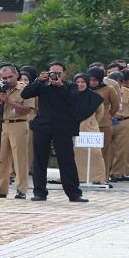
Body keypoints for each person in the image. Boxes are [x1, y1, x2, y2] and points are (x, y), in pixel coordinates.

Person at [21, 61, 98, 202]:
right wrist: (38, 80)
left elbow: (75, 100)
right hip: (43, 126)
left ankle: (74, 193)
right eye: (52, 72)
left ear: (64, 74)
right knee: (39, 160)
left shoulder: (71, 87)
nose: (55, 75)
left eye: (59, 73)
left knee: (67, 160)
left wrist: (61, 86)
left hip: (63, 127)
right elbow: (25, 94)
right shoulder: (42, 86)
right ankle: (39, 192)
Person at [0, 66, 35, 199]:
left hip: (19, 125)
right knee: (0, 159)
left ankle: (21, 190)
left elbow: (27, 110)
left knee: (19, 159)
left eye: (10, 77)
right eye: (4, 78)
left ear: (16, 74)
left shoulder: (25, 89)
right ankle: (1, 190)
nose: (7, 80)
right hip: (1, 125)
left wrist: (9, 102)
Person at [72, 73, 107, 184]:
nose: (80, 84)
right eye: (78, 82)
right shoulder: (69, 95)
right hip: (72, 127)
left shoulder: (94, 97)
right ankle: (75, 177)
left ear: (87, 83)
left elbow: (100, 113)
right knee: (73, 153)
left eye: (83, 82)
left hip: (90, 127)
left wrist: (91, 122)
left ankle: (99, 178)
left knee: (95, 153)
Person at [87, 67, 120, 182]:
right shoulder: (84, 88)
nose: (92, 82)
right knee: (87, 151)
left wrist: (108, 116)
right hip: (87, 124)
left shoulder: (109, 89)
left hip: (104, 124)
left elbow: (115, 105)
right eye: (90, 79)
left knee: (103, 151)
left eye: (95, 80)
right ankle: (87, 176)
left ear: (100, 79)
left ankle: (103, 177)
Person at [108, 70, 129, 182]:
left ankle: (116, 174)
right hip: (108, 122)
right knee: (106, 149)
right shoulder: (105, 91)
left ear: (121, 82)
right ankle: (104, 173)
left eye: (116, 81)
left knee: (121, 150)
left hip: (124, 121)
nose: (114, 83)